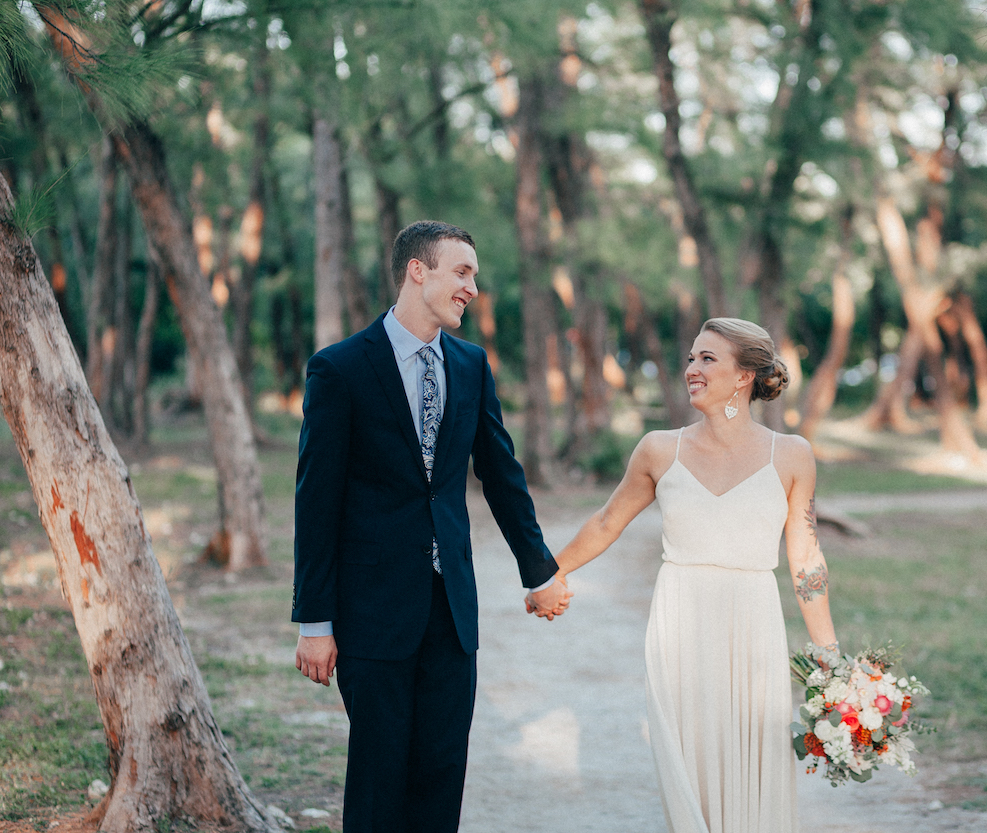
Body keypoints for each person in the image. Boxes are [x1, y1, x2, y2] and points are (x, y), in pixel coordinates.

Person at [291, 220, 573, 833]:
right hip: (372, 614)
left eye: (475, 274)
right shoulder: (339, 369)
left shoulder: (471, 365)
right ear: (418, 271)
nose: (473, 286)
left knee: (441, 778)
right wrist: (315, 621)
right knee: (377, 783)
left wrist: (539, 571)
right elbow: (316, 501)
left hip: (452, 614)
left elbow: (501, 473)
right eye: (462, 272)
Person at [539, 317, 838, 833]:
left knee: (755, 764)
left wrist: (829, 656)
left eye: (707, 359)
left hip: (753, 623)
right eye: (692, 357)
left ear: (744, 376)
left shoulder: (791, 455)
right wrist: (548, 575)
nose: (691, 369)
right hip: (680, 622)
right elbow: (608, 521)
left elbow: (806, 556)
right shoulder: (659, 449)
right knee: (688, 769)